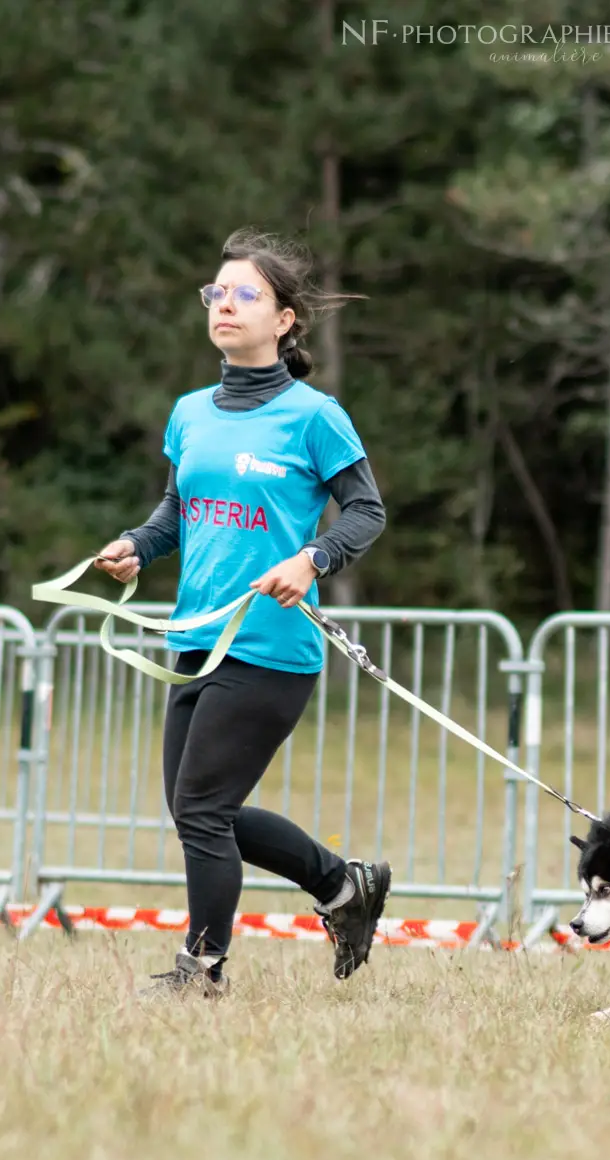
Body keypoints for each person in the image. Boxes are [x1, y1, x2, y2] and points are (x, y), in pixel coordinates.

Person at [94, 228, 393, 999]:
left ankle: (203, 970)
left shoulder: (314, 416)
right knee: (202, 809)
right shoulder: (191, 412)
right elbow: (176, 512)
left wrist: (312, 558)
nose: (224, 303)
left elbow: (366, 512)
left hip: (271, 646)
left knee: (201, 808)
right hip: (196, 638)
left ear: (285, 319)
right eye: (216, 292)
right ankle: (342, 886)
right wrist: (135, 544)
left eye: (245, 293)